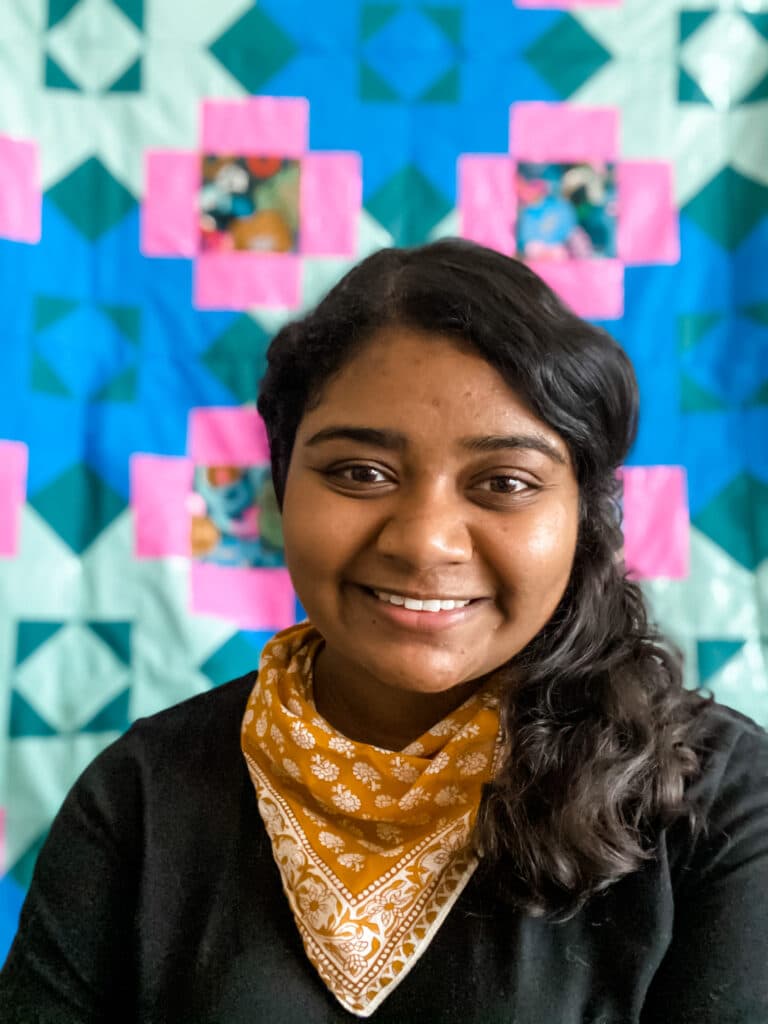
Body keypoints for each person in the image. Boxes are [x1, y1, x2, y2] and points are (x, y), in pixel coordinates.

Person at [2, 239, 767, 1023]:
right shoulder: (141, 796)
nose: (424, 540)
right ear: (281, 486)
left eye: (505, 483)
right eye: (360, 473)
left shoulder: (715, 801)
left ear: (582, 516)